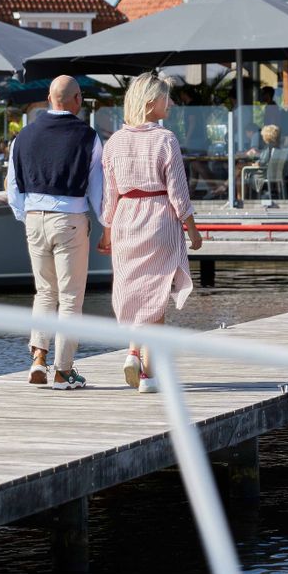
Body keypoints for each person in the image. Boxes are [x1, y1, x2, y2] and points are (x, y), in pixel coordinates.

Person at [100, 72, 202, 395]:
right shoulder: (165, 139)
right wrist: (194, 231)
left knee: (133, 292)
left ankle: (133, 351)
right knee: (155, 296)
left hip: (125, 220)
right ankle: (149, 375)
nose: (170, 103)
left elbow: (109, 196)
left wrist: (106, 233)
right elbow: (178, 193)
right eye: (165, 98)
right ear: (149, 103)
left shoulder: (114, 142)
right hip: (159, 218)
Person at [7, 74, 106, 390]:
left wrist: (27, 217)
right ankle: (63, 371)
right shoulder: (88, 137)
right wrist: (108, 227)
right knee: (70, 298)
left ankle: (38, 358)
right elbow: (97, 190)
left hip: (35, 217)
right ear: (77, 100)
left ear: (49, 98)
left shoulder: (22, 137)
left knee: (44, 292)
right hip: (70, 219)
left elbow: (13, 188)